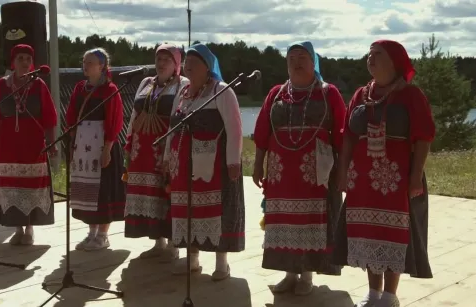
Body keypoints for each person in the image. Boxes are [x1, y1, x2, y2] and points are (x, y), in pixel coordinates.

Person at [335, 40, 435, 307]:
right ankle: (373, 292)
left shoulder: (411, 95)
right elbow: (348, 138)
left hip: (395, 178)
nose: (370, 58)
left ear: (394, 61)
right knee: (367, 232)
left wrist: (415, 177)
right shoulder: (360, 94)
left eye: (377, 54)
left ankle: (389, 296)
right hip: (362, 180)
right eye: (369, 54)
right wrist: (343, 172)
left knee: (392, 233)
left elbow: (424, 137)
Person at [252, 41, 345, 295]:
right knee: (284, 221)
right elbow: (262, 132)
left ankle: (307, 276)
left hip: (315, 173)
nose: (296, 62)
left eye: (302, 57)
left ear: (313, 61)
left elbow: (341, 134)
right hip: (281, 173)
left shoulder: (328, 93)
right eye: (291, 57)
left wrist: (344, 169)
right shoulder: (276, 94)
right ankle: (290, 273)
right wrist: (258, 164)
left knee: (310, 222)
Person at [163, 43, 245, 281]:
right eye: (186, 61)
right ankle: (192, 259)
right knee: (187, 211)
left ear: (207, 68)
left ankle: (222, 264)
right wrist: (168, 158)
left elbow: (235, 128)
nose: (188, 65)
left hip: (214, 166)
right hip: (183, 166)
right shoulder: (183, 92)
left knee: (218, 212)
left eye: (194, 62)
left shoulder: (222, 91)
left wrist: (233, 162)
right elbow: (172, 127)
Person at [0, 44, 58, 245]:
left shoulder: (39, 85)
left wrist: (51, 143)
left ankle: (30, 228)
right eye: (20, 58)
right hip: (6, 145)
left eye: (27, 58)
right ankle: (17, 228)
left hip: (32, 145)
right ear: (13, 62)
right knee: (10, 185)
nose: (24, 62)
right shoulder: (1, 85)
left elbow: (49, 118)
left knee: (30, 185)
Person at [124, 44, 189, 261]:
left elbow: (178, 118)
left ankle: (172, 244)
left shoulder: (182, 84)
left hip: (164, 146)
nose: (161, 64)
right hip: (141, 148)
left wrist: (171, 152)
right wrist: (129, 141)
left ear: (176, 64)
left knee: (166, 191)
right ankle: (157, 241)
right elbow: (135, 114)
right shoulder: (146, 83)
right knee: (148, 193)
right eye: (158, 59)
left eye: (166, 60)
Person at [66, 47, 126, 251]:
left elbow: (115, 121)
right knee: (86, 192)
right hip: (83, 148)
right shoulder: (79, 89)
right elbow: (71, 117)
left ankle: (102, 234)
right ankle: (91, 232)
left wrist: (107, 149)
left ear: (102, 66)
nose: (85, 65)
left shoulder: (110, 91)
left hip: (102, 146)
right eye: (84, 62)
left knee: (103, 191)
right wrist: (73, 144)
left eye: (90, 62)